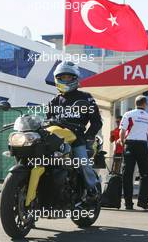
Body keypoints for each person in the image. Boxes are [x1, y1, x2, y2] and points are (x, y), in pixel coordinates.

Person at [46, 61, 102, 198]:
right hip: (56, 138)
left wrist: (89, 136)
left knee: (82, 162)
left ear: (75, 78)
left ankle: (92, 188)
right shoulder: (54, 101)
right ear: (57, 79)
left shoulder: (86, 97)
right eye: (62, 77)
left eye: (69, 77)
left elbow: (96, 122)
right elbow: (47, 122)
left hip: (76, 137)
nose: (65, 80)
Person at [119, 95, 148, 210]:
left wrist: (122, 142)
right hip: (142, 145)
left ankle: (128, 203)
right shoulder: (147, 116)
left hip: (130, 145)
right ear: (145, 104)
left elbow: (122, 130)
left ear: (136, 103)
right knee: (145, 175)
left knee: (127, 174)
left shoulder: (128, 114)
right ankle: (142, 202)